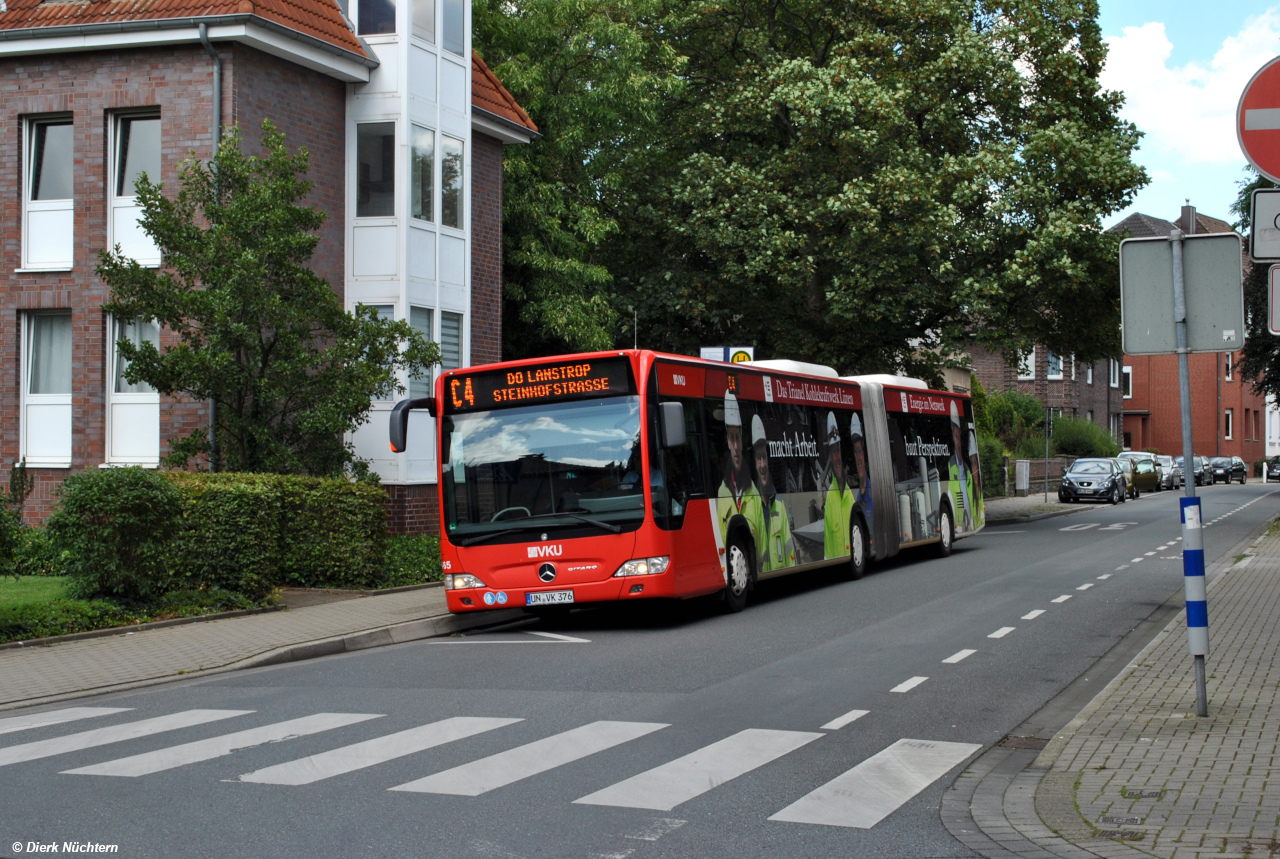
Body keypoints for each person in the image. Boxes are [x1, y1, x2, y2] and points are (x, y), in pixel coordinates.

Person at [717, 391, 762, 546]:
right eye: (731, 438)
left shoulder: (753, 491)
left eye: (738, 437)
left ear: (742, 440)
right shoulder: (721, 493)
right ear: (728, 442)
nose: (736, 446)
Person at [751, 414, 793, 572]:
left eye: (764, 458)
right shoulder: (750, 507)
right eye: (758, 458)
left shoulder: (780, 505)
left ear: (769, 459)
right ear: (754, 462)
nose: (762, 465)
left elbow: (790, 551)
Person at [823, 411, 855, 560]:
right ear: (830, 456)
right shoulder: (830, 498)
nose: (836, 456)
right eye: (833, 451)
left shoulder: (851, 495)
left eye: (838, 450)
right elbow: (828, 549)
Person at [949, 402, 974, 531]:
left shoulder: (967, 469)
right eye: (955, 436)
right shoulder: (950, 467)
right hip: (958, 523)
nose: (958, 441)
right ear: (952, 438)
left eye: (959, 436)